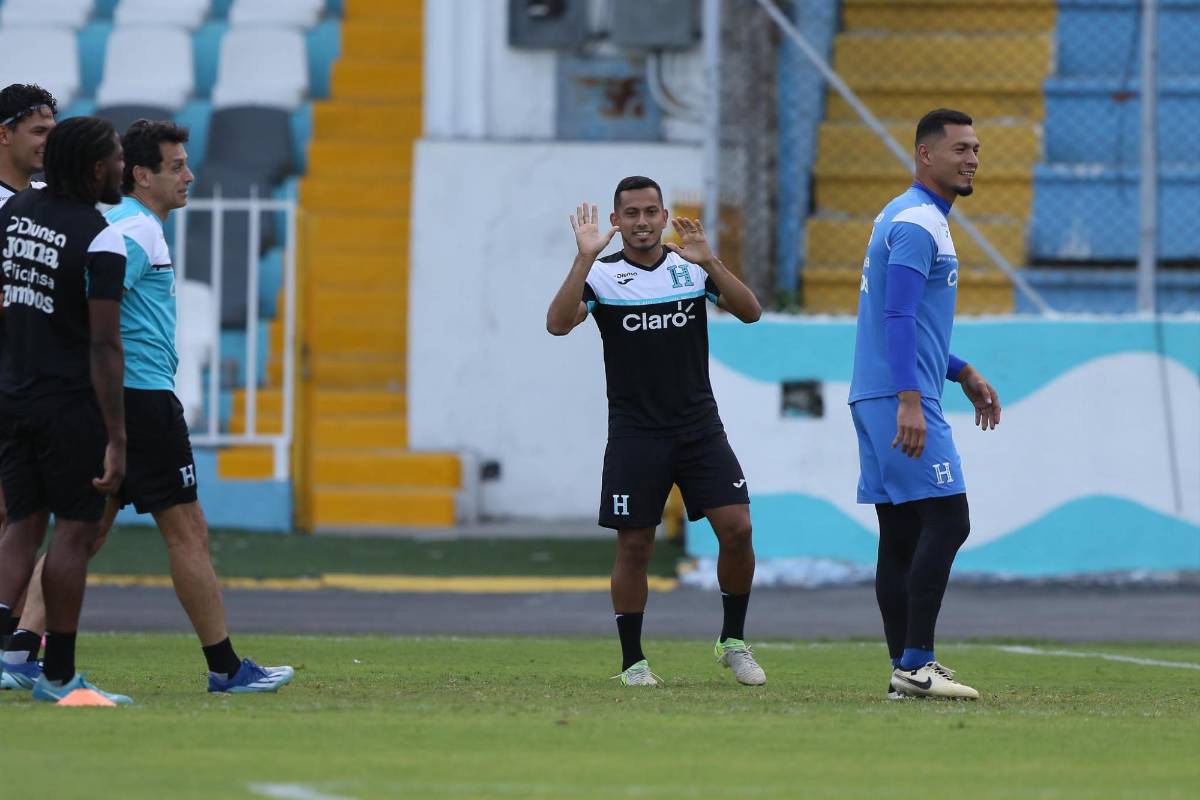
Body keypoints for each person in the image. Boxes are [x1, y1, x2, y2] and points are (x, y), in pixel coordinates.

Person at [0, 119, 293, 695]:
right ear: (140, 174)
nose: (189, 175)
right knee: (188, 531)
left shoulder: (111, 222)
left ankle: (19, 650)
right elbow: (94, 304)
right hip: (138, 400)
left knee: (81, 537)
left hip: (100, 398)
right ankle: (225, 667)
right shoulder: (135, 231)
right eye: (176, 166)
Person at [546, 176, 765, 687]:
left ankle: (732, 641)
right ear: (617, 221)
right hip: (636, 434)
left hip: (698, 428)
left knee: (738, 529)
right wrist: (582, 259)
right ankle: (632, 662)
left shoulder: (688, 269)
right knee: (635, 546)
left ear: (665, 216)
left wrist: (710, 260)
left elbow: (751, 313)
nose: (642, 222)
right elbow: (557, 324)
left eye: (651, 212)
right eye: (631, 214)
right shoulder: (600, 277)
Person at [849, 109, 1003, 700]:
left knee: (902, 533)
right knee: (949, 518)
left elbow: (907, 320)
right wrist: (912, 401)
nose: (971, 159)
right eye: (960, 148)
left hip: (879, 391)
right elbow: (898, 316)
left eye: (976, 149)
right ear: (925, 155)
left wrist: (959, 370)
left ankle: (903, 670)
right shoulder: (918, 222)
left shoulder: (903, 215)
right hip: (898, 396)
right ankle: (917, 663)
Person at [0, 115, 130, 703]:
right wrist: (117, 436)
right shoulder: (101, 238)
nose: (124, 168)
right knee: (74, 534)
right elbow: (104, 345)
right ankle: (59, 679)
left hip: (15, 393)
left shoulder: (15, 213)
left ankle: (7, 653)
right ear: (95, 168)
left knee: (21, 524)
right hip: (68, 403)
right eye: (118, 159)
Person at [0, 84, 56, 654]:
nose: (48, 142)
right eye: (38, 131)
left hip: (28, 379)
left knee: (20, 512)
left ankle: (13, 648)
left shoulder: (43, 200)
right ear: (4, 133)